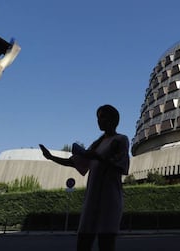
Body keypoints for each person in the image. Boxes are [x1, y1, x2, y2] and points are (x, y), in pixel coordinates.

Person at [39, 104, 129, 251]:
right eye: (98, 118)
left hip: (109, 199)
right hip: (92, 199)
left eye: (103, 117)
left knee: (106, 243)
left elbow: (120, 167)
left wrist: (96, 157)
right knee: (83, 240)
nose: (99, 121)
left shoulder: (120, 140)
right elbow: (75, 162)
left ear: (113, 119)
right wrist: (51, 157)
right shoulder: (96, 144)